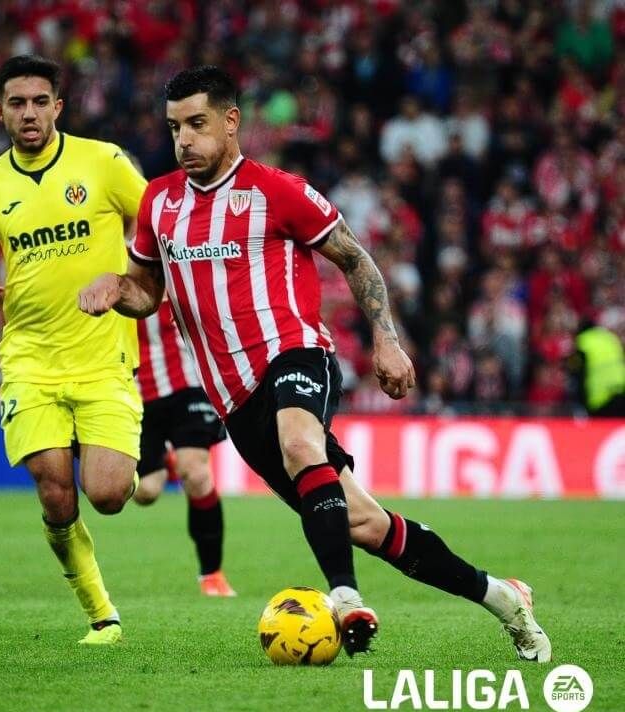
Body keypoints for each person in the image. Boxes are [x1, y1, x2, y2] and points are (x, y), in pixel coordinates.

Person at [79, 66, 551, 662]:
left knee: (302, 444)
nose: (184, 141)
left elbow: (356, 260)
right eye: (174, 128)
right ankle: (502, 596)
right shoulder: (159, 202)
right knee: (367, 525)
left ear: (231, 122)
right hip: (234, 398)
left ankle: (346, 598)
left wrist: (386, 339)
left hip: (295, 352)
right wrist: (113, 290)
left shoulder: (280, 190)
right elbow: (147, 292)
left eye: (197, 124)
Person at [0, 55, 146, 646]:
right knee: (55, 489)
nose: (29, 113)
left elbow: (159, 223)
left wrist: (125, 281)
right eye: (17, 103)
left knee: (108, 493)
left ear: (58, 107)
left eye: (40, 101)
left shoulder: (103, 162)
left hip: (103, 356)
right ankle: (101, 614)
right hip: (30, 360)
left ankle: (131, 456)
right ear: (0, 111)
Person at [133, 298, 235, 597]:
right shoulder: (102, 261)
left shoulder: (167, 252)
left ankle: (212, 574)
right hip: (136, 391)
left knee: (196, 473)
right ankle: (165, 456)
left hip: (187, 383)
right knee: (146, 491)